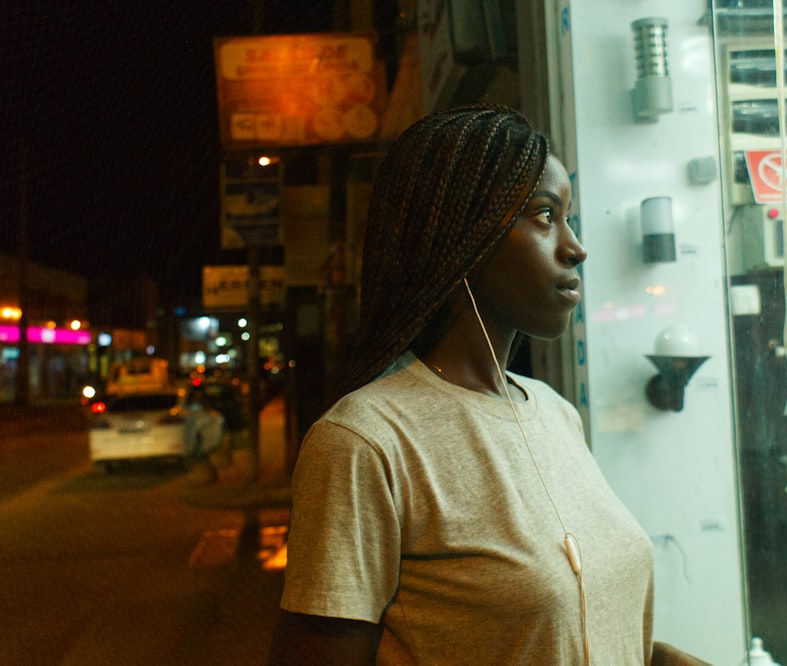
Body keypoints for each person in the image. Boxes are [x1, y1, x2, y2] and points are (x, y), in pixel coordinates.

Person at [268, 106, 709, 665]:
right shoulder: (365, 443)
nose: (575, 248)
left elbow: (577, 631)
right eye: (546, 215)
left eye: (569, 218)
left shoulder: (554, 413)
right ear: (466, 233)